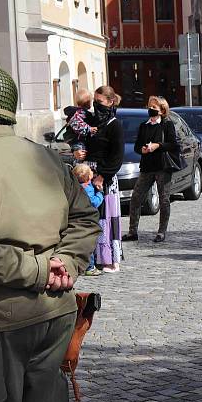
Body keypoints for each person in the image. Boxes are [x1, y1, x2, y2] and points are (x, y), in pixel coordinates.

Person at [0, 62, 101, 402]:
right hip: (55, 313)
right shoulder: (47, 157)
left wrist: (39, 270)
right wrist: (64, 263)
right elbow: (86, 219)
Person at [76, 86, 124, 273]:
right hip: (88, 173)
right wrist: (77, 150)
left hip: (105, 177)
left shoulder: (114, 125)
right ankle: (91, 259)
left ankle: (109, 259)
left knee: (106, 217)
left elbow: (117, 157)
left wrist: (103, 176)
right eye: (94, 102)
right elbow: (79, 138)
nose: (96, 106)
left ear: (110, 102)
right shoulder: (92, 122)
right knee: (90, 217)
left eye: (100, 102)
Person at [122, 96, 179, 243]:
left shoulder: (167, 125)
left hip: (162, 167)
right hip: (147, 166)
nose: (151, 110)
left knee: (164, 199)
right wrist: (142, 149)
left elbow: (173, 145)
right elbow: (136, 146)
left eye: (154, 108)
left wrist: (157, 145)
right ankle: (132, 231)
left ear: (162, 110)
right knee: (136, 198)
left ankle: (161, 232)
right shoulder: (144, 126)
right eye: (149, 107)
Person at [73, 163, 105, 276]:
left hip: (76, 220)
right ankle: (90, 267)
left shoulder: (75, 187)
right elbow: (94, 203)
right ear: (88, 177)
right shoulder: (88, 189)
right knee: (89, 243)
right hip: (88, 220)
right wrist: (100, 193)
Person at [64, 88, 97, 161]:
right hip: (77, 141)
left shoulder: (84, 113)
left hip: (80, 141)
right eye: (91, 101)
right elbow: (78, 126)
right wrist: (90, 129)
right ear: (88, 102)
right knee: (80, 158)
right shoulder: (78, 113)